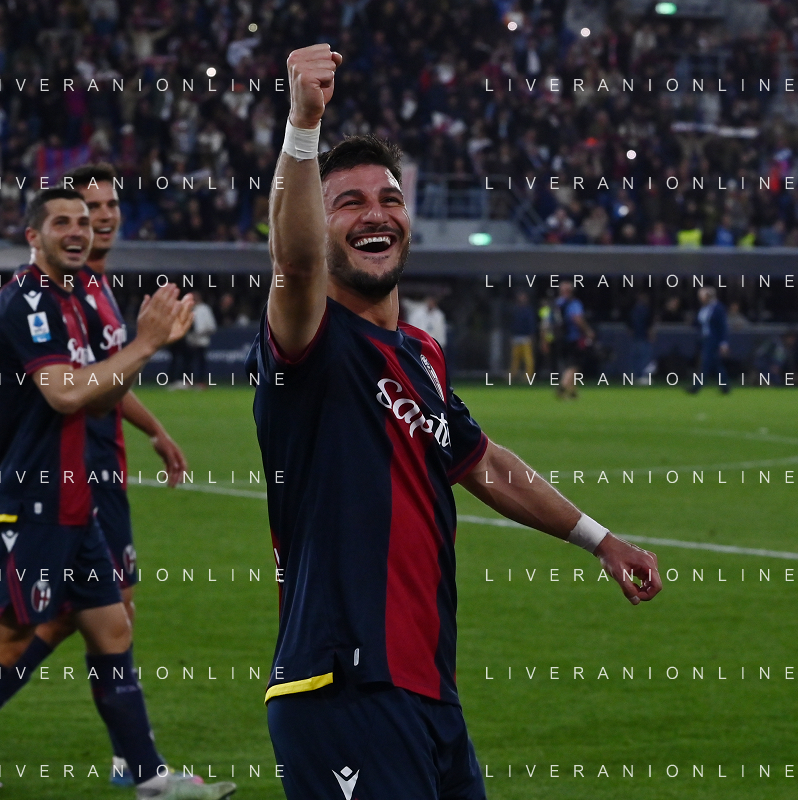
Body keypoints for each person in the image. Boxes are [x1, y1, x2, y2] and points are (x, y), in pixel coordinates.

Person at [248, 44, 661, 800]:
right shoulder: (312, 342)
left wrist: (601, 540)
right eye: (348, 203)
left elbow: (482, 462)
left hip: (429, 691)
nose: (375, 213)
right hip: (342, 687)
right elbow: (296, 265)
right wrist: (303, 127)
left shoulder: (421, 356)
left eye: (389, 198)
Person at [0, 188, 229, 800]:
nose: (79, 230)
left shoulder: (78, 299)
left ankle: (150, 778)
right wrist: (144, 345)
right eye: (63, 222)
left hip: (75, 502)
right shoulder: (27, 301)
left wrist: (140, 362)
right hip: (32, 501)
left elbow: (99, 398)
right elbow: (64, 393)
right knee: (5, 640)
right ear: (34, 236)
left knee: (112, 629)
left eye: (84, 220)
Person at [554, 282, 594, 399]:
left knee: (568, 364)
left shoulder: (556, 303)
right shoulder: (574, 303)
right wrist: (588, 331)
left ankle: (572, 392)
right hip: (573, 337)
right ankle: (563, 386)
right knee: (574, 365)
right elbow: (577, 318)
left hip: (559, 338)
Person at [687, 286, 729, 393]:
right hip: (704, 339)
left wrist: (724, 343)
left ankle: (696, 387)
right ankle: (725, 386)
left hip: (713, 340)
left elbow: (722, 326)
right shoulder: (704, 308)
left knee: (705, 363)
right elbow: (700, 323)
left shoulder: (718, 308)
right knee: (716, 364)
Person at [508, 290, 536, 378]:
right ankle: (513, 375)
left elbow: (531, 323)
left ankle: (528, 376)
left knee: (528, 358)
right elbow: (512, 323)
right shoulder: (515, 310)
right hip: (516, 336)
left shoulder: (528, 310)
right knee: (515, 358)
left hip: (526, 337)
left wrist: (531, 334)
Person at [627, 292, 655, 381]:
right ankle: (642, 376)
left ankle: (636, 375)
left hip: (636, 337)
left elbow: (629, 325)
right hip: (643, 337)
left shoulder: (633, 310)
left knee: (636, 357)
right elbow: (649, 324)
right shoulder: (645, 310)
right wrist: (651, 335)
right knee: (644, 357)